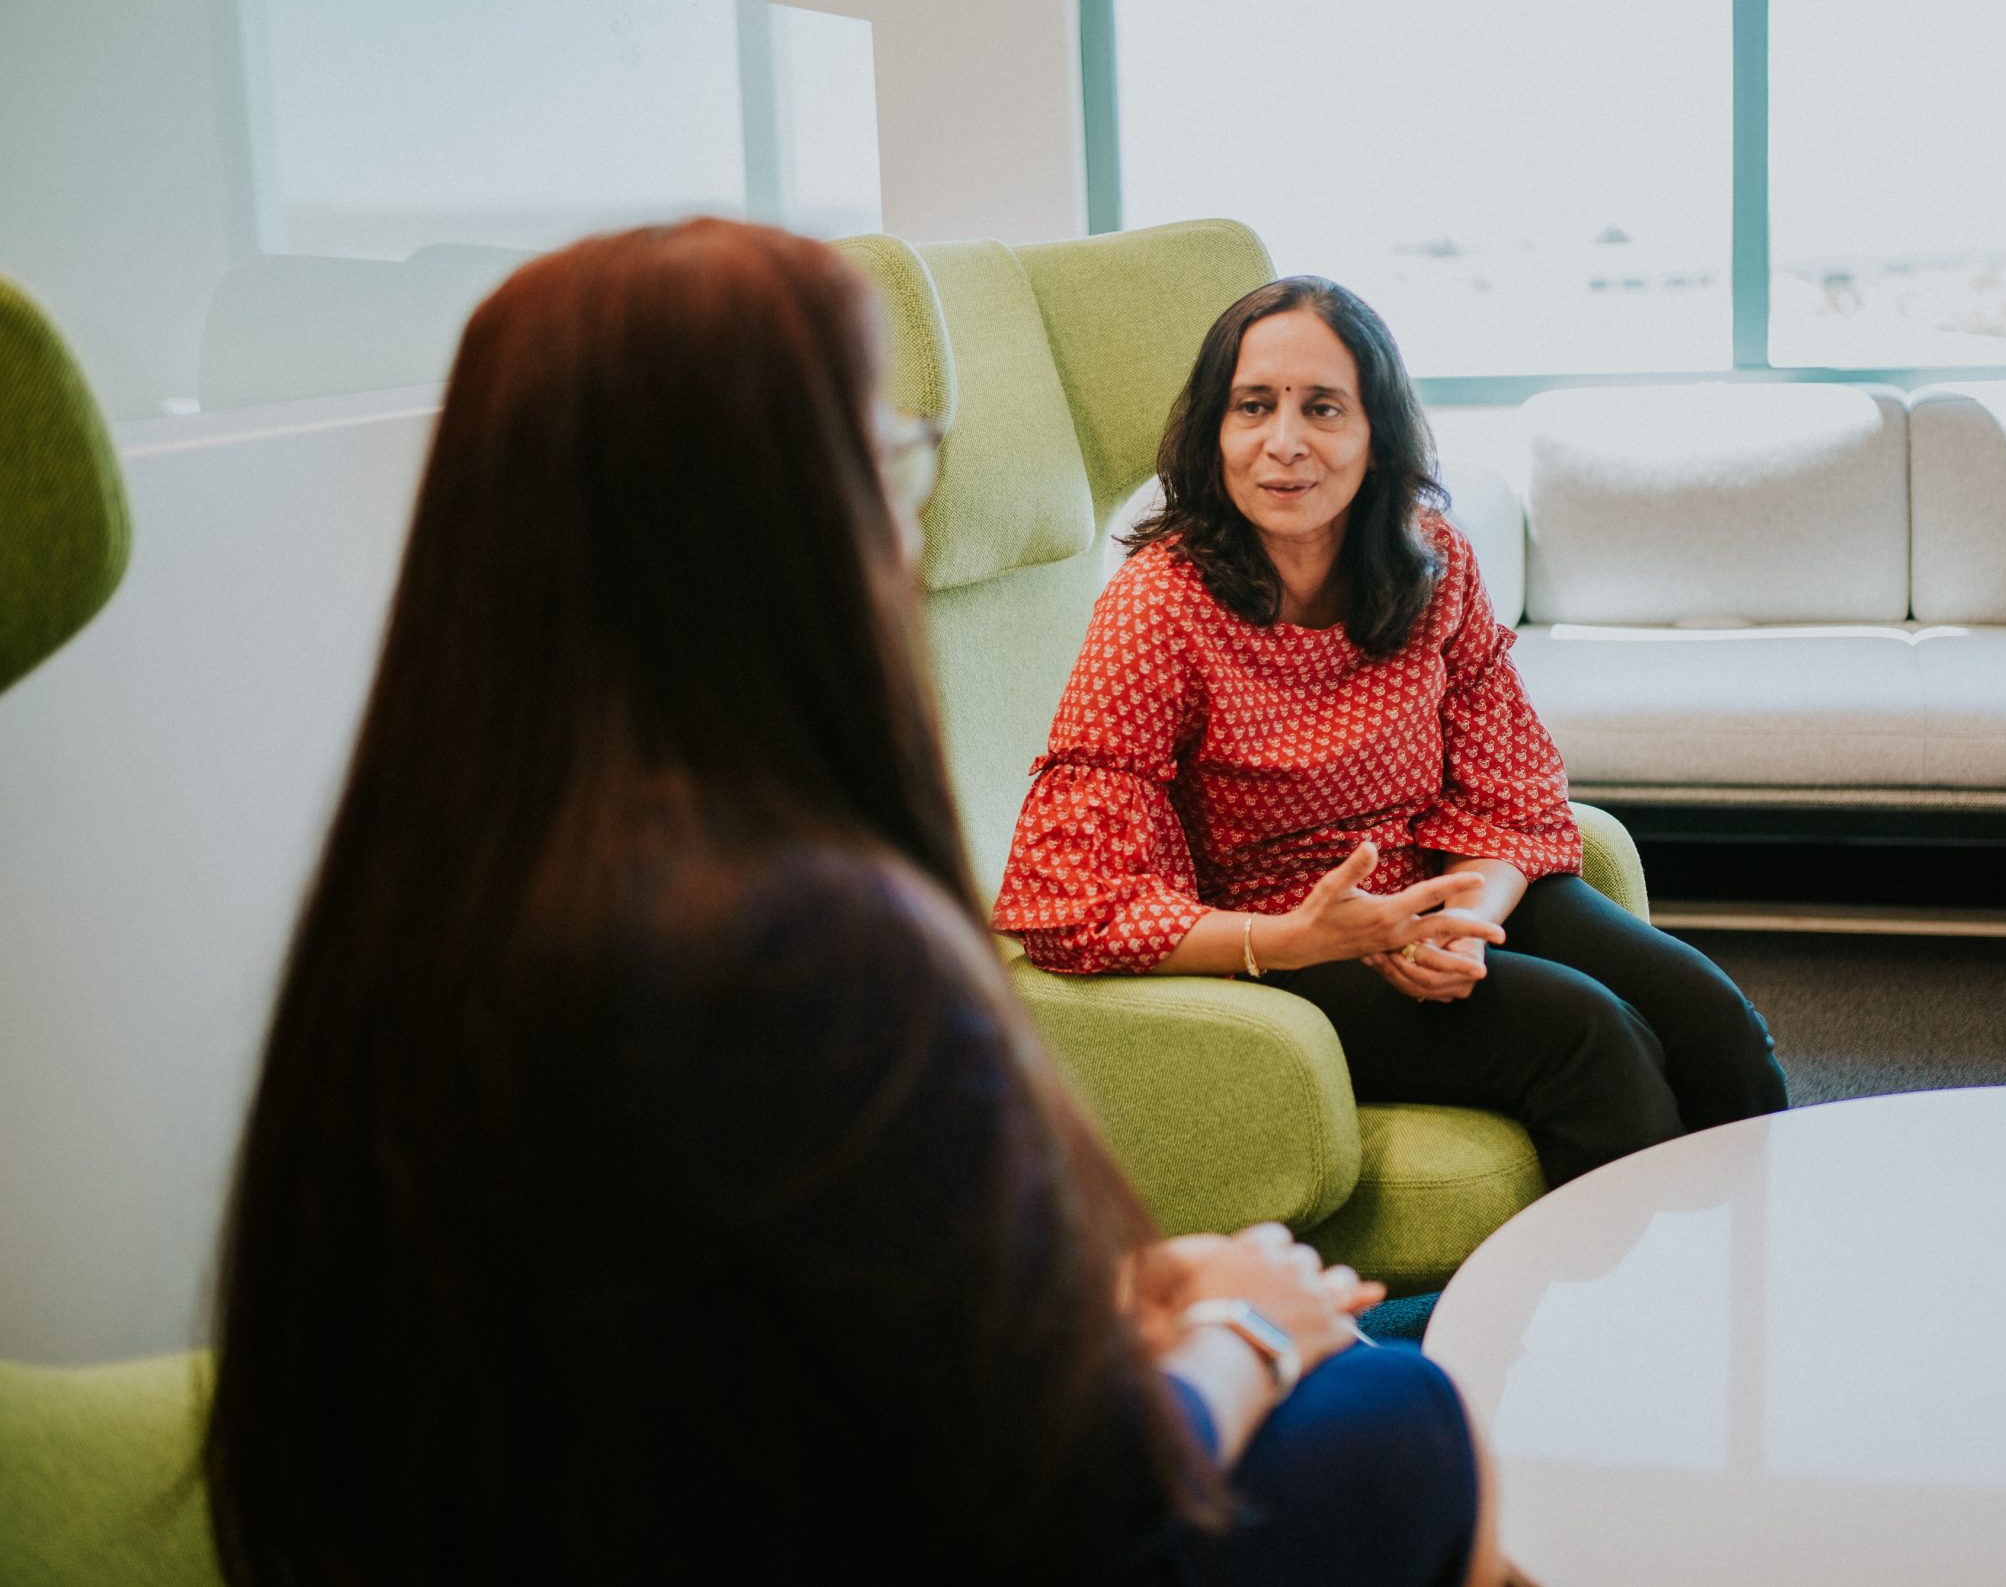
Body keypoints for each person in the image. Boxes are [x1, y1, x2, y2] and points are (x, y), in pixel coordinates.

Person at [200, 221, 1503, 1587]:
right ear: (765, 518)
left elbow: (736, 1339)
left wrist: (1111, 1302)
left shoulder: (437, 875)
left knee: (1367, 1339)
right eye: (883, 447)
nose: (912, 500)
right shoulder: (802, 940)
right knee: (1407, 1400)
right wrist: (1239, 1342)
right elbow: (1078, 1506)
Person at [992, 277, 1787, 1186]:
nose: (1284, 443)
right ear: (1216, 431)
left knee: (1713, 1021)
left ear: (1376, 435)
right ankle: (1609, 1322)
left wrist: (1464, 917)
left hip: (1441, 889)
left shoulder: (1433, 560)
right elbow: (1068, 890)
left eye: (1323, 408)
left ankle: (1741, 1288)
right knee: (1590, 1039)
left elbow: (1511, 791)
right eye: (1254, 406)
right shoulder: (1160, 605)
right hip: (1286, 935)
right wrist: (1293, 937)